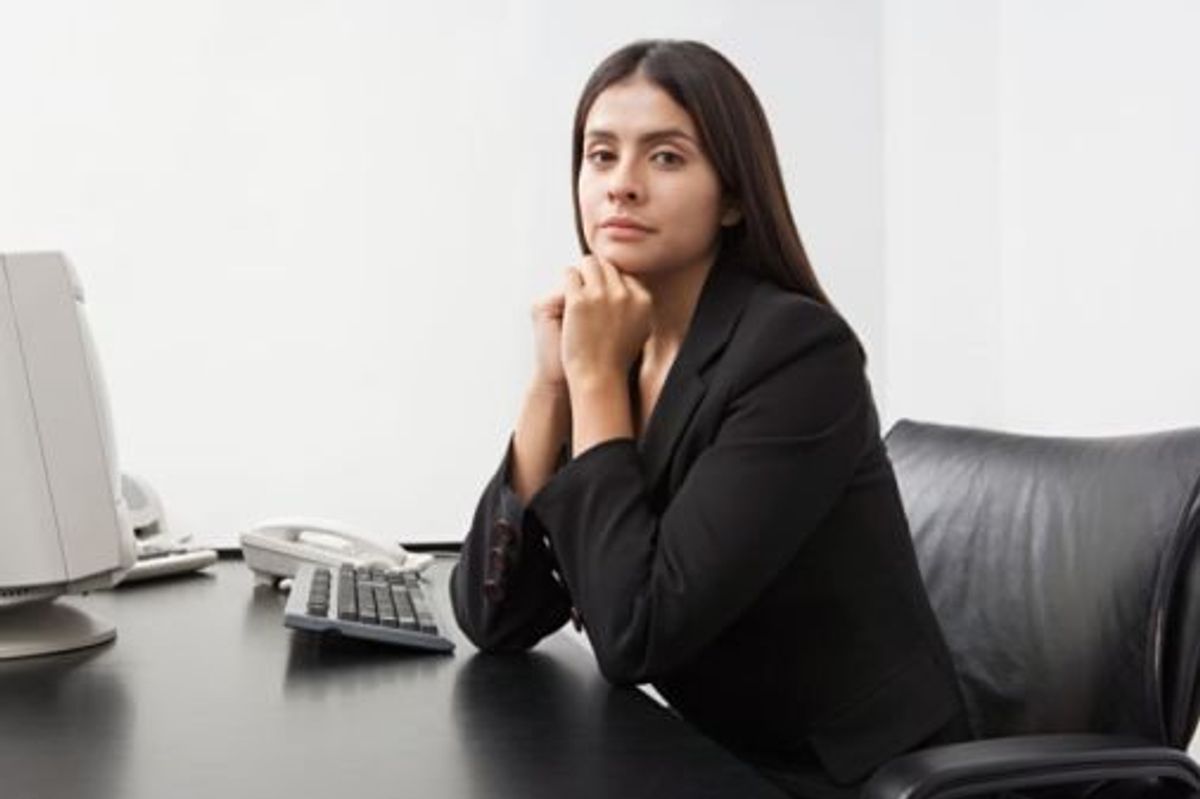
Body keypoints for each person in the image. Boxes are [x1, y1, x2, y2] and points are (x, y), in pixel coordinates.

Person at [450, 39, 969, 798]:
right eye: (601, 156)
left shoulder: (796, 355)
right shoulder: (617, 345)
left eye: (664, 158)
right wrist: (551, 385)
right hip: (700, 749)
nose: (621, 186)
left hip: (836, 777)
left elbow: (636, 634)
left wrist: (593, 381)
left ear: (731, 196)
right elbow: (493, 618)